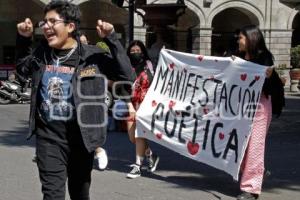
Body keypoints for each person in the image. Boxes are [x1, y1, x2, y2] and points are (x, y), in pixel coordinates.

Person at [16, 1, 134, 200]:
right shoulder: (42, 53)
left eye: (53, 21)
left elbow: (127, 76)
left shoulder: (92, 56)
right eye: (44, 22)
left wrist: (112, 39)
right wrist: (24, 39)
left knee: (79, 193)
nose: (46, 27)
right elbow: (21, 70)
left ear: (70, 26)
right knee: (52, 194)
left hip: (81, 137)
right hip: (49, 137)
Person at [235, 25, 285, 200]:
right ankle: (258, 171)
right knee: (238, 146)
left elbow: (270, 88)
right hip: (240, 106)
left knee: (255, 146)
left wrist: (270, 76)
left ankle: (251, 189)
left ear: (250, 38)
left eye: (240, 37)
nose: (238, 40)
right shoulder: (239, 56)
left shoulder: (264, 57)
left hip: (259, 108)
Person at [125, 40, 160, 179]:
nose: (135, 54)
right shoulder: (127, 67)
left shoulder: (150, 65)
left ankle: (137, 166)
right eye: (132, 52)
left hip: (146, 105)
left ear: (143, 52)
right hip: (132, 105)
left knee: (139, 134)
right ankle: (151, 154)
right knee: (132, 137)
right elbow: (122, 87)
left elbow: (158, 82)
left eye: (138, 51)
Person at [79, 33, 108, 170]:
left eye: (85, 42)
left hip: (91, 99)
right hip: (74, 99)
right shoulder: (72, 58)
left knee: (88, 129)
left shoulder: (95, 57)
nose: (83, 45)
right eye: (80, 42)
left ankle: (98, 151)